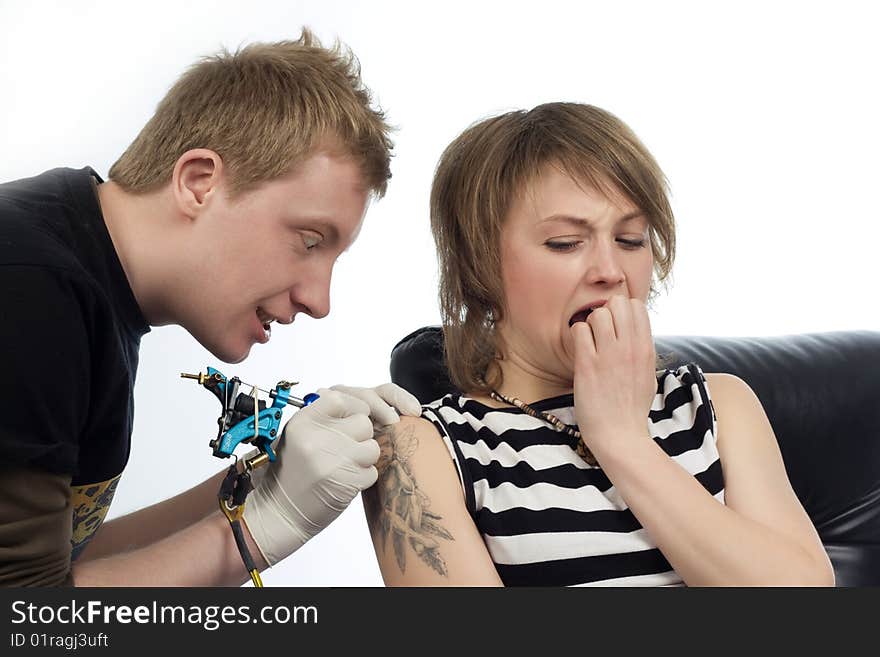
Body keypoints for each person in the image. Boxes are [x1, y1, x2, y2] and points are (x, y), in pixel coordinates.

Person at [0, 29, 421, 586]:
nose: (319, 301)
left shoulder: (78, 273)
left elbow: (67, 560)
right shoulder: (29, 287)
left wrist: (261, 482)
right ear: (198, 183)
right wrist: (259, 530)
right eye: (311, 240)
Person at [363, 102, 834, 586]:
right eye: (566, 242)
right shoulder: (417, 449)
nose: (611, 272)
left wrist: (624, 441)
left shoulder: (719, 405)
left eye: (631, 239)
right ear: (477, 266)